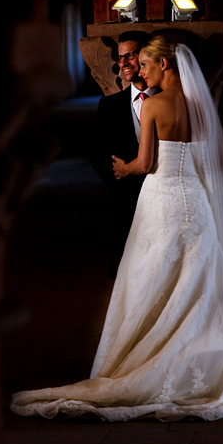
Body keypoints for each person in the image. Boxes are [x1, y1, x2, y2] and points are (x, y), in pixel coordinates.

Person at [11, 35, 223, 421]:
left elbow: (146, 162)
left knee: (151, 279)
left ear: (164, 65)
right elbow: (219, 160)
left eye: (147, 64)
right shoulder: (202, 105)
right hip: (196, 201)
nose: (139, 70)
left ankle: (147, 360)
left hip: (163, 202)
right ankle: (216, 363)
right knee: (200, 283)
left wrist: (124, 168)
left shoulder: (154, 105)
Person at [90, 31, 159, 277]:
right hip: (125, 204)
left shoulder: (168, 100)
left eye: (130, 55)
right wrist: (121, 181)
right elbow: (96, 153)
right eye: (120, 58)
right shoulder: (109, 106)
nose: (124, 64)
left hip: (164, 200)